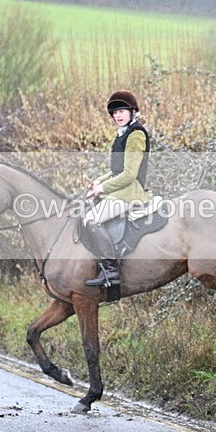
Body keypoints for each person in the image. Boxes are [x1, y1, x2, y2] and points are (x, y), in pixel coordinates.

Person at [83, 90, 151, 287]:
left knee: (91, 219)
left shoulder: (136, 135)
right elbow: (116, 171)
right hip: (121, 189)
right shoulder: (123, 133)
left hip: (130, 192)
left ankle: (111, 271)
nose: (117, 116)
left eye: (121, 111)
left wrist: (102, 188)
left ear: (132, 111)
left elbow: (129, 174)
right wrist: (97, 183)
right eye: (114, 113)